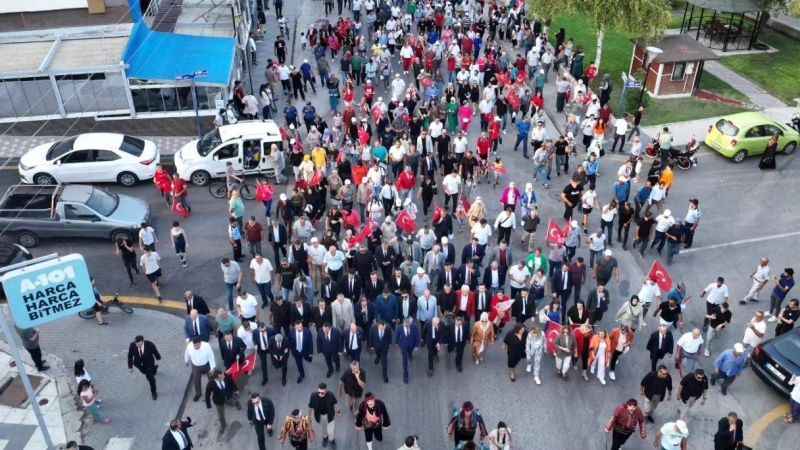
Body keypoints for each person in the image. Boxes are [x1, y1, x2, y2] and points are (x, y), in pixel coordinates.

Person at [127, 335, 162, 400]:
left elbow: (155, 351)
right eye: (136, 343)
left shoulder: (150, 344)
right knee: (145, 372)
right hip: (138, 363)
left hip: (148, 362)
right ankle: (154, 369)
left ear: (142, 341)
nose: (136, 344)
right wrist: (130, 367)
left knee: (151, 378)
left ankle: (154, 392)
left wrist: (158, 357)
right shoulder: (132, 345)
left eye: (138, 343)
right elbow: (130, 356)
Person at [308, 383, 339, 447]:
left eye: (322, 393)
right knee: (324, 429)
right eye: (319, 392)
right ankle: (325, 438)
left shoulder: (330, 395)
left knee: (331, 431)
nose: (320, 394)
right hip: (320, 416)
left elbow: (335, 403)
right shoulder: (313, 396)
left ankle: (331, 440)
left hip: (330, 415)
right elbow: (310, 407)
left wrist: (337, 411)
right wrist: (309, 417)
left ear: (326, 391)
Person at [395, 317, 420, 384]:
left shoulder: (414, 327)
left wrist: (417, 345)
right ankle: (405, 375)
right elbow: (397, 335)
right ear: (403, 323)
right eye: (405, 324)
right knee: (404, 360)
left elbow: (417, 336)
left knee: (410, 352)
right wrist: (396, 343)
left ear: (410, 323)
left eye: (408, 324)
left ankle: (410, 355)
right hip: (403, 346)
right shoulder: (399, 327)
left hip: (411, 345)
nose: (407, 325)